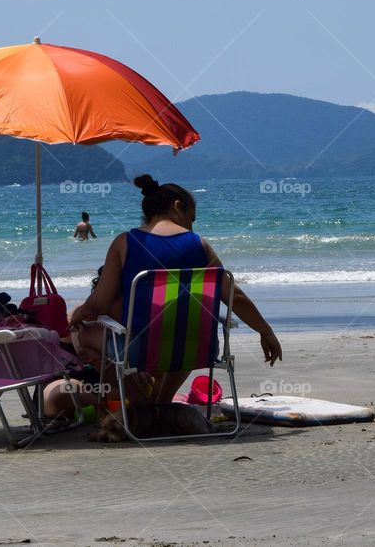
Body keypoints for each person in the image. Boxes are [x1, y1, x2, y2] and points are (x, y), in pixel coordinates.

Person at [44, 174, 282, 419]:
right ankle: (162, 403)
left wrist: (79, 315)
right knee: (184, 331)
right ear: (178, 207)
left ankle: (141, 405)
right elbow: (236, 297)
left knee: (80, 334)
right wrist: (265, 331)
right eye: (192, 218)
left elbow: (99, 303)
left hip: (139, 352)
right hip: (198, 347)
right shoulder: (199, 245)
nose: (191, 226)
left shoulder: (124, 242)